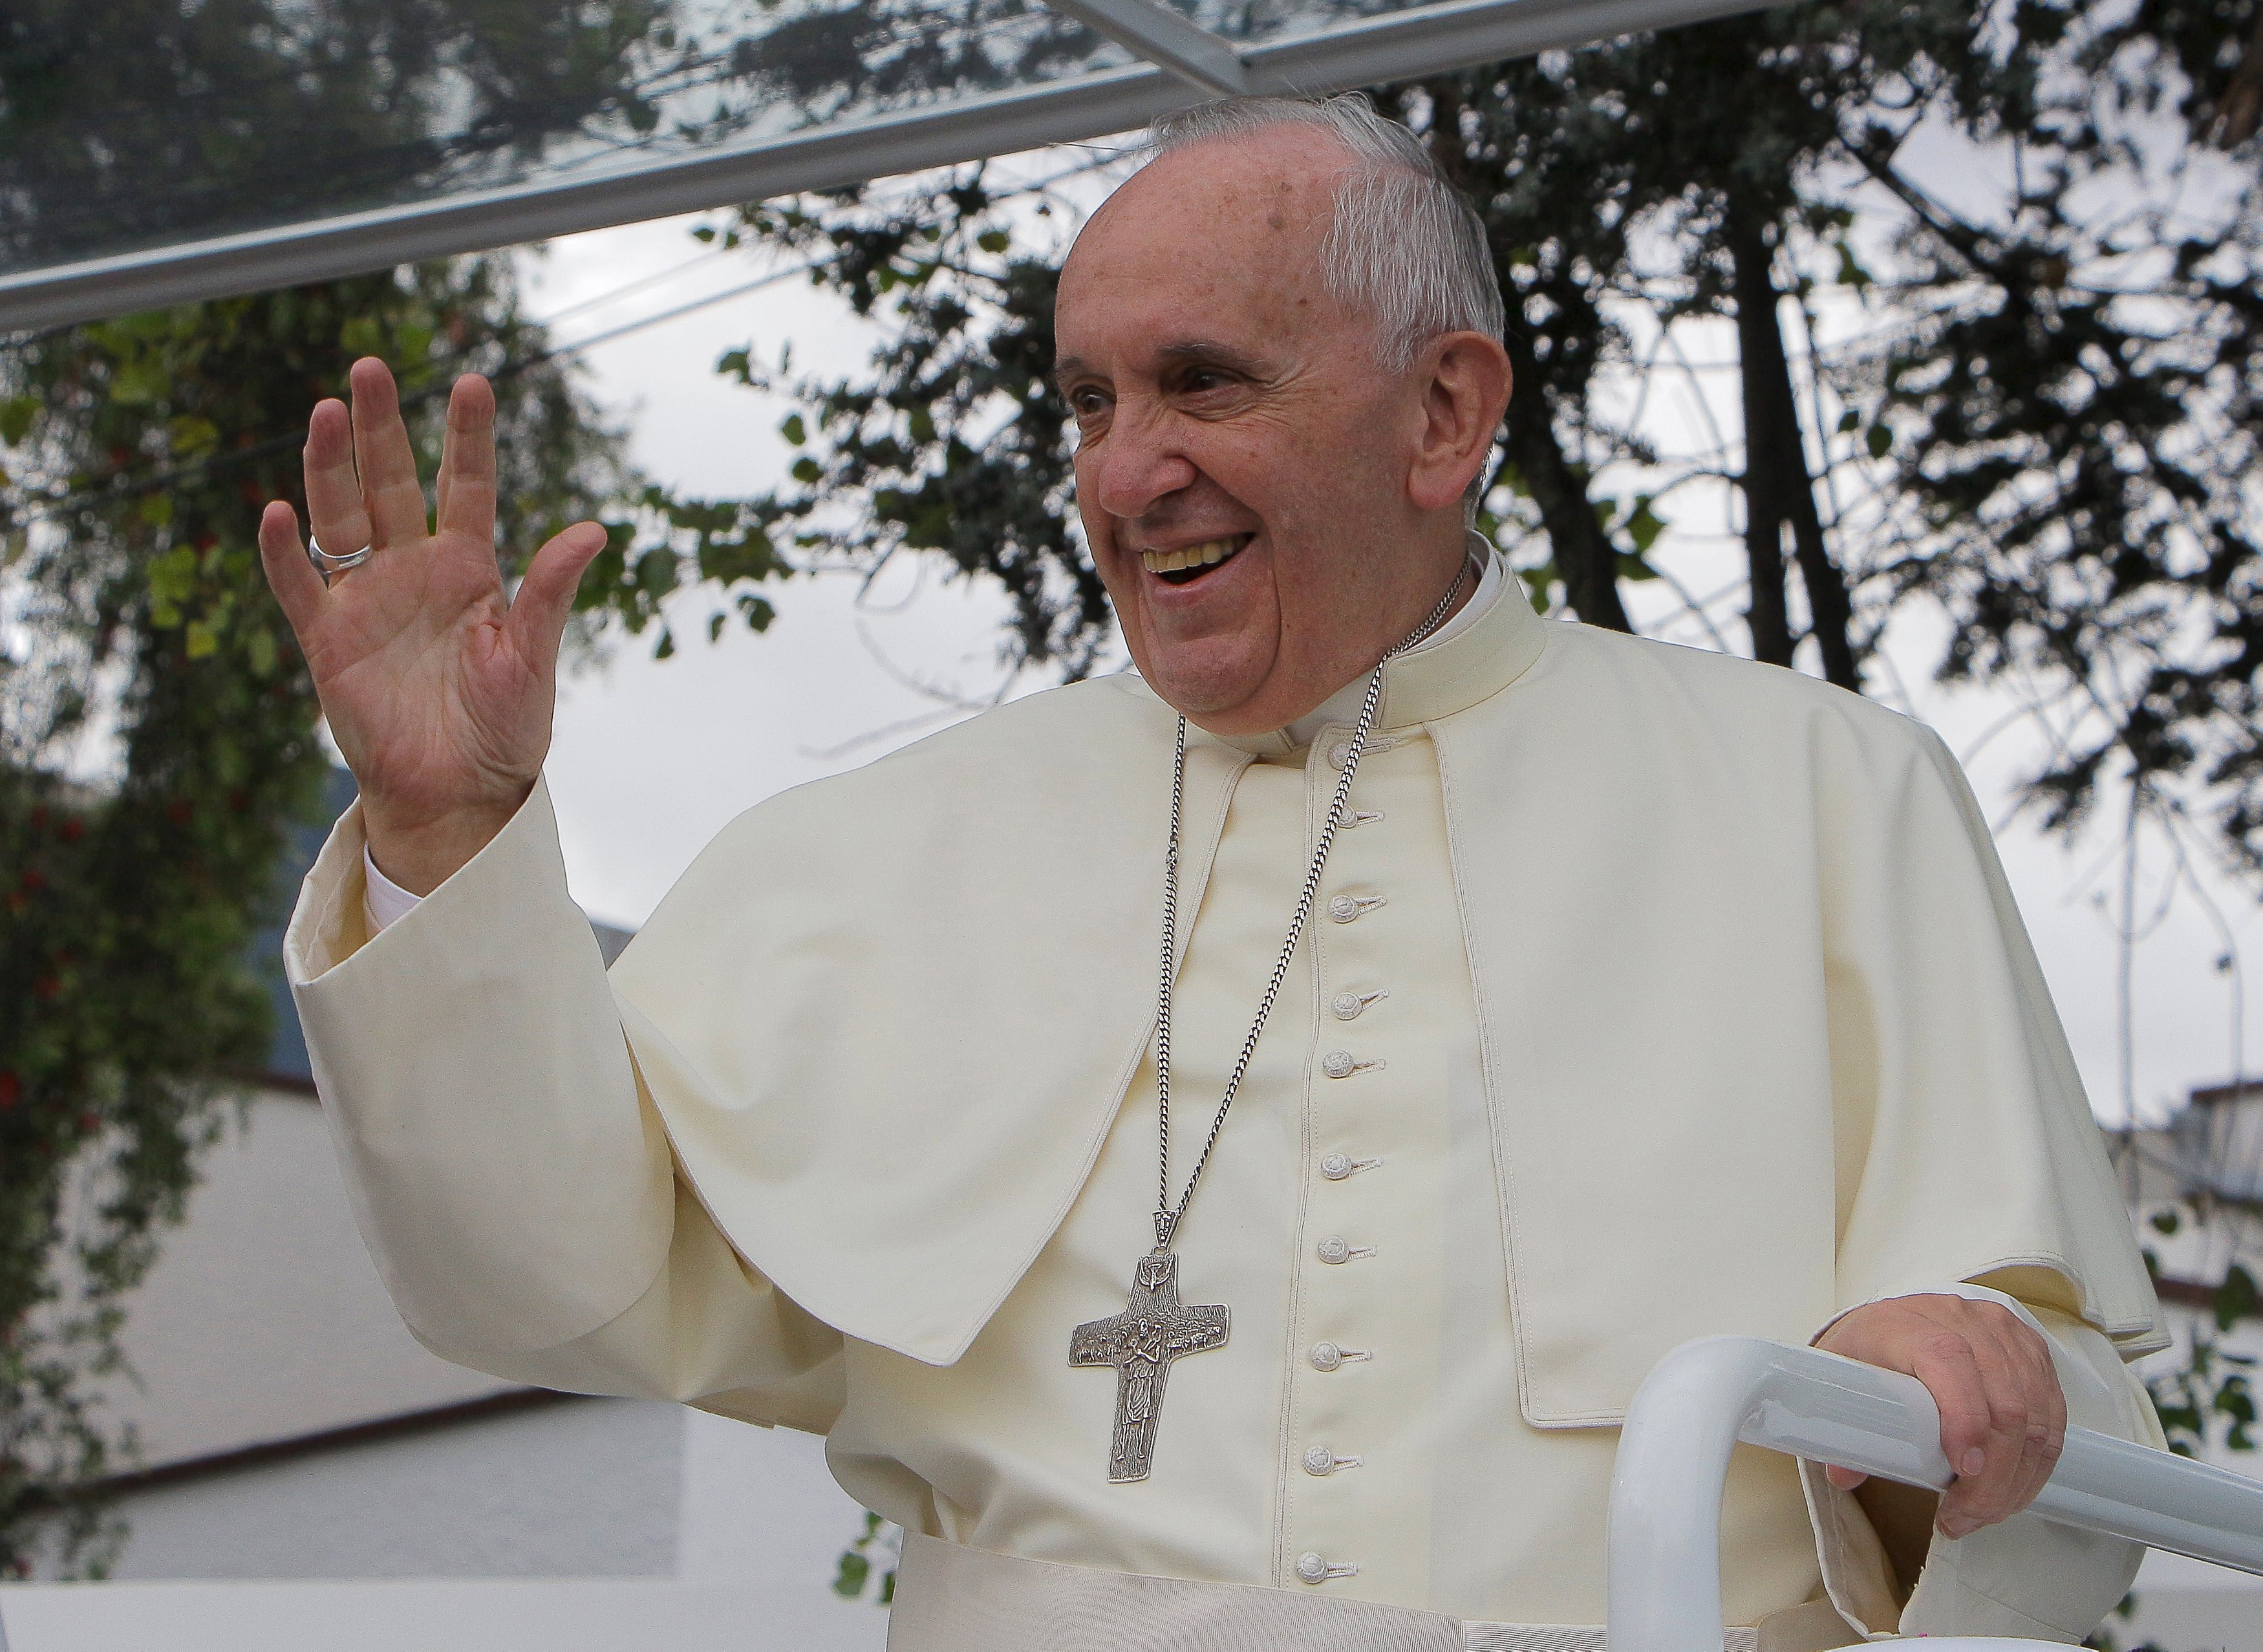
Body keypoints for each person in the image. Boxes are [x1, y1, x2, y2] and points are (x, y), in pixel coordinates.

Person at [259, 95, 2165, 1651]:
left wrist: (1958, 1389)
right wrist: (447, 836)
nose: (1122, 471)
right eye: (1087, 402)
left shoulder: (1828, 795)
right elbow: (541, 1283)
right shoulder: (881, 853)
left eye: (1200, 383)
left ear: (1444, 415)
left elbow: (2076, 1514)